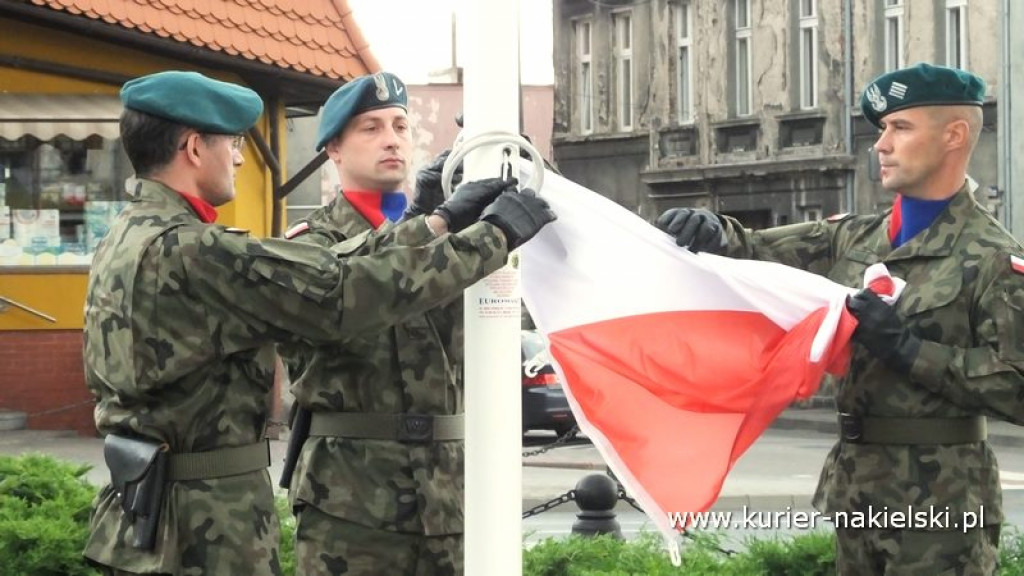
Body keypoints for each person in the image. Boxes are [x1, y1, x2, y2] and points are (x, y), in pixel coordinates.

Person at [82, 70, 554, 576]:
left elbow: (337, 275)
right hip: (202, 527)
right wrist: (491, 234)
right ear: (195, 148)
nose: (239, 156)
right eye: (233, 143)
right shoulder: (193, 250)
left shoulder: (132, 236)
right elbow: (338, 291)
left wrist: (434, 221)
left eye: (399, 126)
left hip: (158, 515)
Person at [656, 63, 1024, 574]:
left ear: (953, 136)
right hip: (856, 490)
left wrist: (910, 351)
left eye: (901, 127)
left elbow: (1017, 386)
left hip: (944, 503)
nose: (881, 145)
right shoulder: (854, 237)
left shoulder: (994, 258)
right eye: (882, 130)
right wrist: (712, 230)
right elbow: (754, 251)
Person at [279, 71, 538, 576]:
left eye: (400, 125)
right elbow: (363, 285)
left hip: (451, 495)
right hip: (352, 504)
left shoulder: (450, 233)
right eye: (370, 128)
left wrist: (497, 157)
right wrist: (434, 221)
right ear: (333, 149)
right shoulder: (307, 244)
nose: (391, 139)